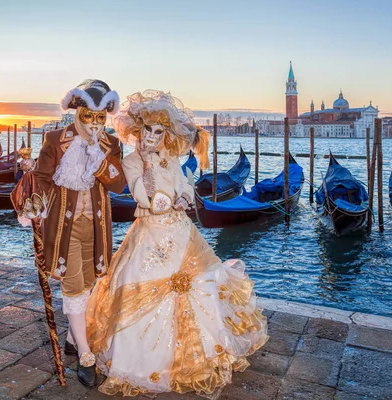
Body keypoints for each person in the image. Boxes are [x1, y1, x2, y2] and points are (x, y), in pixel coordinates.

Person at [87, 90, 268, 397]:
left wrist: (184, 196)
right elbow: (141, 196)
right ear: (138, 131)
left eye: (159, 132)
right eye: (148, 131)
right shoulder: (132, 161)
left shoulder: (171, 159)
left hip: (182, 234)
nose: (153, 137)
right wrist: (146, 170)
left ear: (166, 134)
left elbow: (185, 185)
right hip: (150, 235)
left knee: (202, 286)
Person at [13, 79, 127, 388]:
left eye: (100, 117)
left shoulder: (112, 144)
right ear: (77, 111)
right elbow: (42, 179)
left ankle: (71, 337)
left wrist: (101, 161)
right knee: (75, 286)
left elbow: (118, 185)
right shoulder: (55, 139)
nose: (93, 123)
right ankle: (86, 355)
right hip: (65, 227)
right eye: (88, 116)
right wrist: (34, 203)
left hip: (97, 228)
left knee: (89, 282)